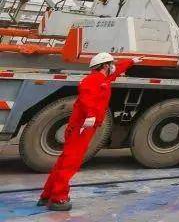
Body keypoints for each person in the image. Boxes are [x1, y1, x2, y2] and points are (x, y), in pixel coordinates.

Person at [39, 52, 140, 211]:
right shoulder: (92, 80)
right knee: (70, 163)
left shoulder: (104, 79)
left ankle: (47, 195)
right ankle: (58, 198)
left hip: (84, 126)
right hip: (82, 127)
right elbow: (86, 97)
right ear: (105, 66)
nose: (113, 66)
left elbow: (117, 71)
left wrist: (131, 62)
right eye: (111, 64)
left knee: (64, 162)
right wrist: (91, 115)